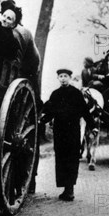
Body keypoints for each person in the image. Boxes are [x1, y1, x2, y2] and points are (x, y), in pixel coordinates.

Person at [40, 69, 91, 201]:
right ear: (58, 78)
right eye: (61, 76)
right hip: (59, 131)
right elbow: (50, 111)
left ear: (70, 78)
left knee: (72, 157)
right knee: (61, 157)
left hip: (72, 131)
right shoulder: (55, 94)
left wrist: (92, 126)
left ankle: (70, 190)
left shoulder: (76, 94)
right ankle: (65, 188)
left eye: (66, 76)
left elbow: (85, 111)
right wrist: (42, 120)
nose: (63, 79)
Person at [0, 0, 41, 94]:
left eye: (9, 17)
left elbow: (16, 58)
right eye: (3, 15)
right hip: (18, 63)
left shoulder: (21, 32)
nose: (4, 19)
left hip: (30, 66)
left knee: (31, 88)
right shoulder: (3, 27)